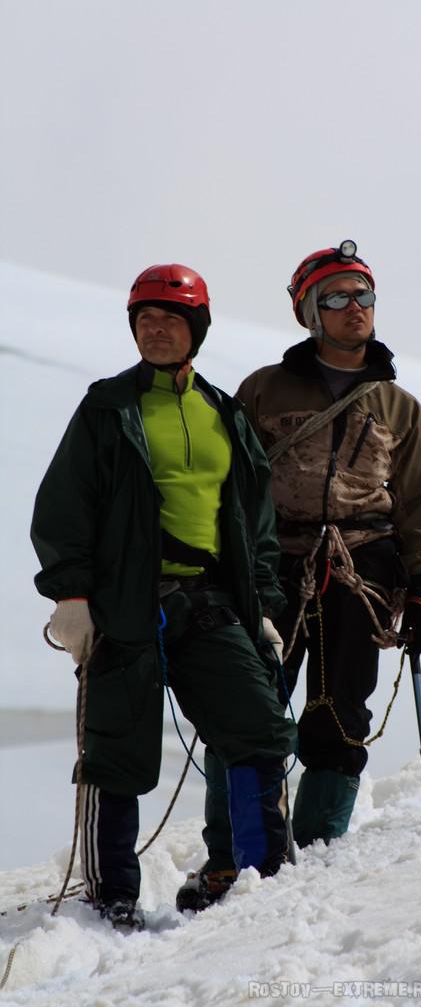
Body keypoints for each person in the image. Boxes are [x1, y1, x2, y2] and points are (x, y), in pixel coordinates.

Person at [177, 240, 421, 910]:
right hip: (270, 563)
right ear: (308, 313)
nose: (355, 307)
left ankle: (317, 854)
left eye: (363, 294)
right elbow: (227, 485)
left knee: (339, 713)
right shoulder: (263, 391)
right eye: (336, 297)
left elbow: (418, 505)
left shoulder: (399, 407)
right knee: (244, 707)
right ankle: (233, 861)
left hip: (362, 568)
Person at [30, 263, 297, 930]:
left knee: (259, 728)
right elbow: (63, 506)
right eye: (144, 319)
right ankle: (111, 896)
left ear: (195, 330)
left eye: (170, 319)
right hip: (124, 601)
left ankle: (257, 874)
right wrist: (71, 596)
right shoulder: (106, 408)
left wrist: (263, 606)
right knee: (115, 749)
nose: (155, 330)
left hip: (211, 599)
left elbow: (256, 520)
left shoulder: (224, 413)